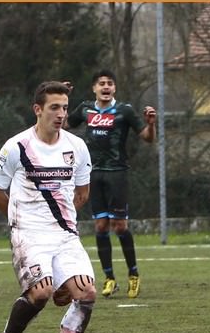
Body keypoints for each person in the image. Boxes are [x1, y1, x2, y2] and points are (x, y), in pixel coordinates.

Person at [0, 81, 96, 333]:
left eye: (64, 107)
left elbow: (83, 192)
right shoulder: (16, 147)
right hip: (29, 233)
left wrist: (63, 220)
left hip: (63, 235)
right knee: (41, 293)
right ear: (38, 109)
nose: (61, 114)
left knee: (86, 294)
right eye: (54, 107)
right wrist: (19, 222)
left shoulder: (76, 147)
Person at [66, 69, 156, 299]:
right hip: (93, 174)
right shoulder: (86, 109)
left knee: (120, 226)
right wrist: (64, 100)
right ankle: (109, 278)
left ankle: (133, 275)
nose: (105, 87)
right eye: (101, 83)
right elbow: (64, 124)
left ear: (114, 88)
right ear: (94, 88)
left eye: (109, 83)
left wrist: (151, 124)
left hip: (117, 173)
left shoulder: (124, 110)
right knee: (100, 226)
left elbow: (146, 137)